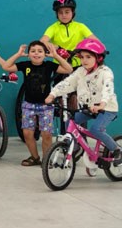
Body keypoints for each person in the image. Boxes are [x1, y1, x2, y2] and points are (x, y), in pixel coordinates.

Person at [45, 38, 122, 169]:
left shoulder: (105, 72)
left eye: (88, 57)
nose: (84, 60)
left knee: (95, 129)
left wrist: (102, 104)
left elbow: (107, 89)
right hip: (89, 108)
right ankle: (75, 147)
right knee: (70, 121)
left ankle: (117, 151)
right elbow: (68, 83)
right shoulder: (80, 71)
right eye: (81, 57)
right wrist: (52, 94)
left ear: (99, 58)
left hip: (107, 108)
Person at [2, 41, 72, 166]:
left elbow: (69, 69)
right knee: (27, 133)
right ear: (28, 54)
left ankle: (46, 160)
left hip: (46, 106)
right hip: (28, 105)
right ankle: (35, 157)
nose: (36, 54)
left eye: (40, 51)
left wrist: (55, 56)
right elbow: (6, 67)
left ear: (45, 54)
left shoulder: (49, 65)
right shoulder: (25, 65)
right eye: (33, 51)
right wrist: (18, 54)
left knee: (46, 134)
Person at [41, 0, 96, 72]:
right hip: (60, 65)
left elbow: (95, 41)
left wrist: (83, 50)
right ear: (57, 14)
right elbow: (42, 41)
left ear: (72, 13)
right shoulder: (53, 28)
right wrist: (56, 47)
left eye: (67, 12)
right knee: (59, 83)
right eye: (60, 12)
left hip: (79, 64)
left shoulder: (80, 26)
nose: (64, 15)